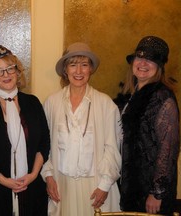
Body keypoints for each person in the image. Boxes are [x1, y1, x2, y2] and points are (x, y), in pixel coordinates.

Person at [40, 42, 122, 215]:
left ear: (90, 69)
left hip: (95, 187)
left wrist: (105, 185)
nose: (78, 71)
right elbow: (43, 146)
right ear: (65, 70)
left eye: (84, 65)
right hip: (62, 186)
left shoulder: (105, 104)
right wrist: (48, 177)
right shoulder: (51, 103)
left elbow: (113, 148)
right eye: (73, 64)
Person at [0, 44, 50, 216]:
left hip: (33, 185)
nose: (5, 75)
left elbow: (44, 142)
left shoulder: (33, 103)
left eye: (9, 68)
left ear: (18, 71)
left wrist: (34, 174)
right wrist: (3, 180)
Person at [117, 36, 180, 215]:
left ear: (159, 67)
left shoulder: (163, 98)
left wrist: (157, 193)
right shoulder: (133, 94)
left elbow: (168, 150)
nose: (143, 63)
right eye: (140, 57)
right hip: (132, 184)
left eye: (151, 59)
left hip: (150, 191)